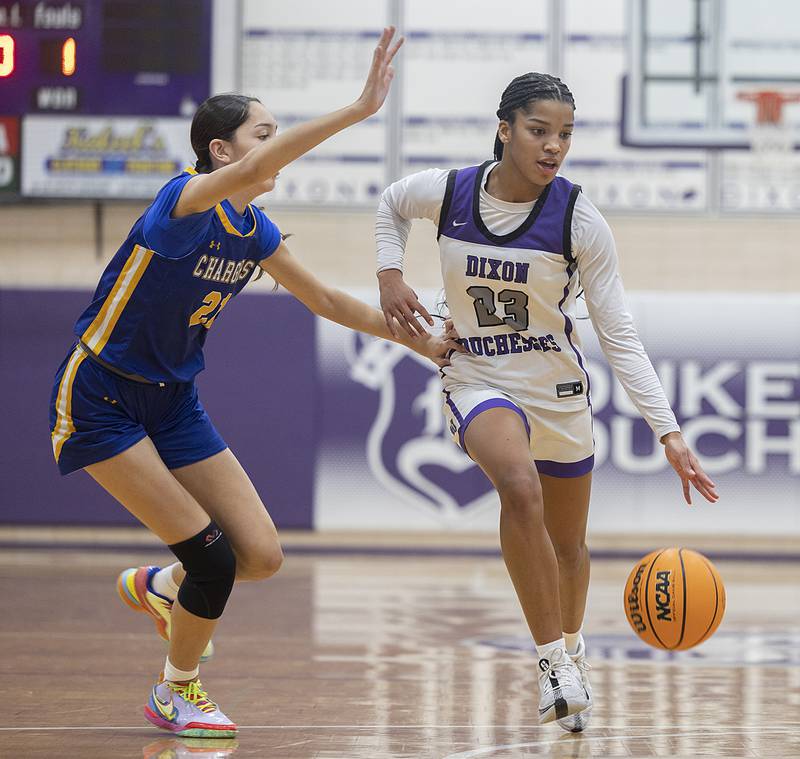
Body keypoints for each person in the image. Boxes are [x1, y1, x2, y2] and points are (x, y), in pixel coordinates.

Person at [49, 27, 462, 738]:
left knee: (260, 556)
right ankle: (176, 691)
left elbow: (330, 303)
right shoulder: (183, 203)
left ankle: (160, 587)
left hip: (173, 400)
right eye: (261, 134)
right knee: (211, 556)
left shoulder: (254, 230)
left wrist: (421, 342)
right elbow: (264, 164)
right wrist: (360, 109)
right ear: (222, 151)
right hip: (104, 394)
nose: (273, 146)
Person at [374, 72, 719, 731]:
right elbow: (390, 202)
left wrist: (670, 432)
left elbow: (617, 334)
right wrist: (390, 273)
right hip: (478, 374)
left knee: (568, 547)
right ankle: (551, 660)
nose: (554, 144)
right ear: (505, 129)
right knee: (517, 487)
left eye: (565, 133)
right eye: (539, 130)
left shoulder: (580, 219)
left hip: (557, 390)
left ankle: (572, 648)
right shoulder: (449, 193)